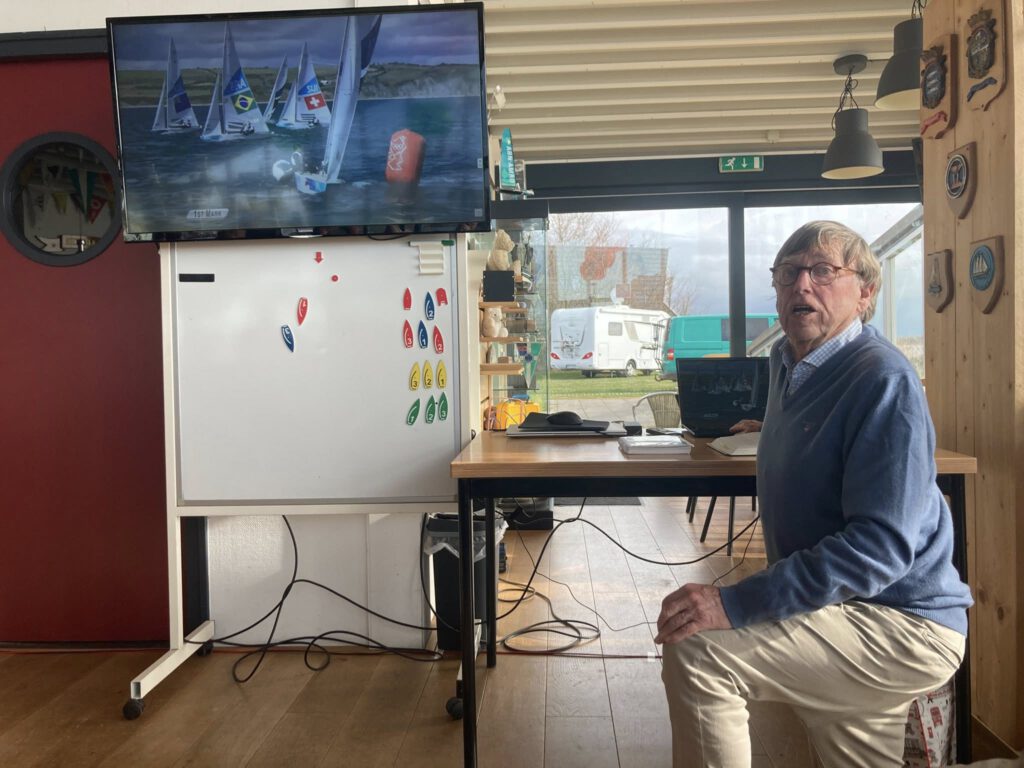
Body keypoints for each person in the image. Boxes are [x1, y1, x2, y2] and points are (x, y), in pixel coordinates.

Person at [657, 221, 973, 767]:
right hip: (843, 608)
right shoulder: (789, 362)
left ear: (865, 291)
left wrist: (736, 603)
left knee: (699, 648)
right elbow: (821, 428)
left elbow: (879, 549)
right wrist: (771, 428)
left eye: (823, 270)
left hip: (900, 621)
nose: (801, 284)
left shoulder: (883, 379)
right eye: (787, 273)